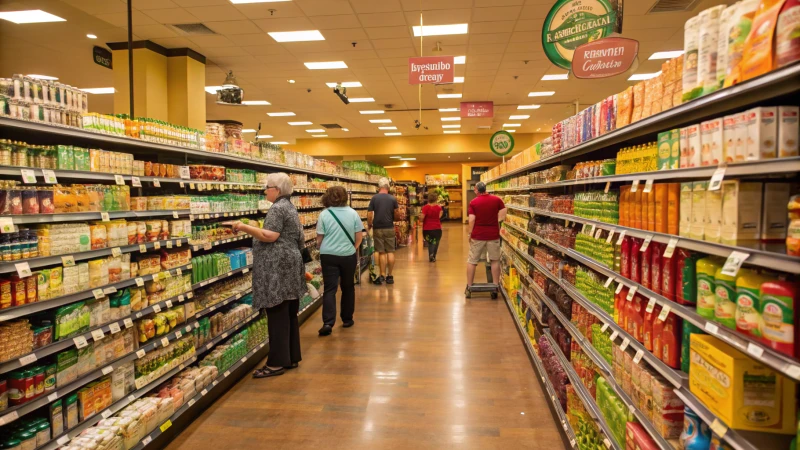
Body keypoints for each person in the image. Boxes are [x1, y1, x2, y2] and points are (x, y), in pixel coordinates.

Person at [231, 172, 307, 378]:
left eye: (267, 187)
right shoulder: (289, 207)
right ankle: (290, 357)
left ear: (277, 190)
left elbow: (269, 236)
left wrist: (244, 226)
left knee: (277, 314)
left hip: (278, 268)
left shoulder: (277, 208)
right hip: (290, 265)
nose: (265, 190)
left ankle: (275, 364)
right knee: (289, 313)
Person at [316, 186, 363, 336]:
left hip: (328, 255)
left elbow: (319, 239)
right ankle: (347, 319)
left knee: (330, 289)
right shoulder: (353, 213)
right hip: (348, 255)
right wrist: (352, 248)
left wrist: (323, 248)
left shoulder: (324, 214)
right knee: (348, 287)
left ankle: (328, 322)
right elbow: (359, 237)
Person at [466, 181, 507, 291]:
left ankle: (470, 285)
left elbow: (472, 219)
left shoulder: (473, 202)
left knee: (472, 260)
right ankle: (495, 285)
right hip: (493, 235)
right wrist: (496, 220)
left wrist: (470, 233)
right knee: (494, 260)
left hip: (478, 235)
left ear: (476, 190)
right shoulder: (497, 200)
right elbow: (503, 213)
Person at [367, 177, 398, 285]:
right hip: (389, 227)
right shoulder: (393, 199)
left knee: (380, 251)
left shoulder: (374, 198)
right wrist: (393, 219)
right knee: (390, 251)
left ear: (378, 187)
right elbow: (397, 214)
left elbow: (370, 214)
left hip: (378, 228)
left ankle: (381, 275)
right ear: (388, 187)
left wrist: (370, 224)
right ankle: (390, 276)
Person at [420, 192, 443, 262]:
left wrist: (420, 217)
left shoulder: (425, 208)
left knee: (430, 242)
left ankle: (431, 255)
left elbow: (422, 218)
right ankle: (433, 255)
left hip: (427, 229)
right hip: (437, 228)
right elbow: (439, 216)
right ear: (436, 199)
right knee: (435, 242)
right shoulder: (439, 208)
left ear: (428, 199)